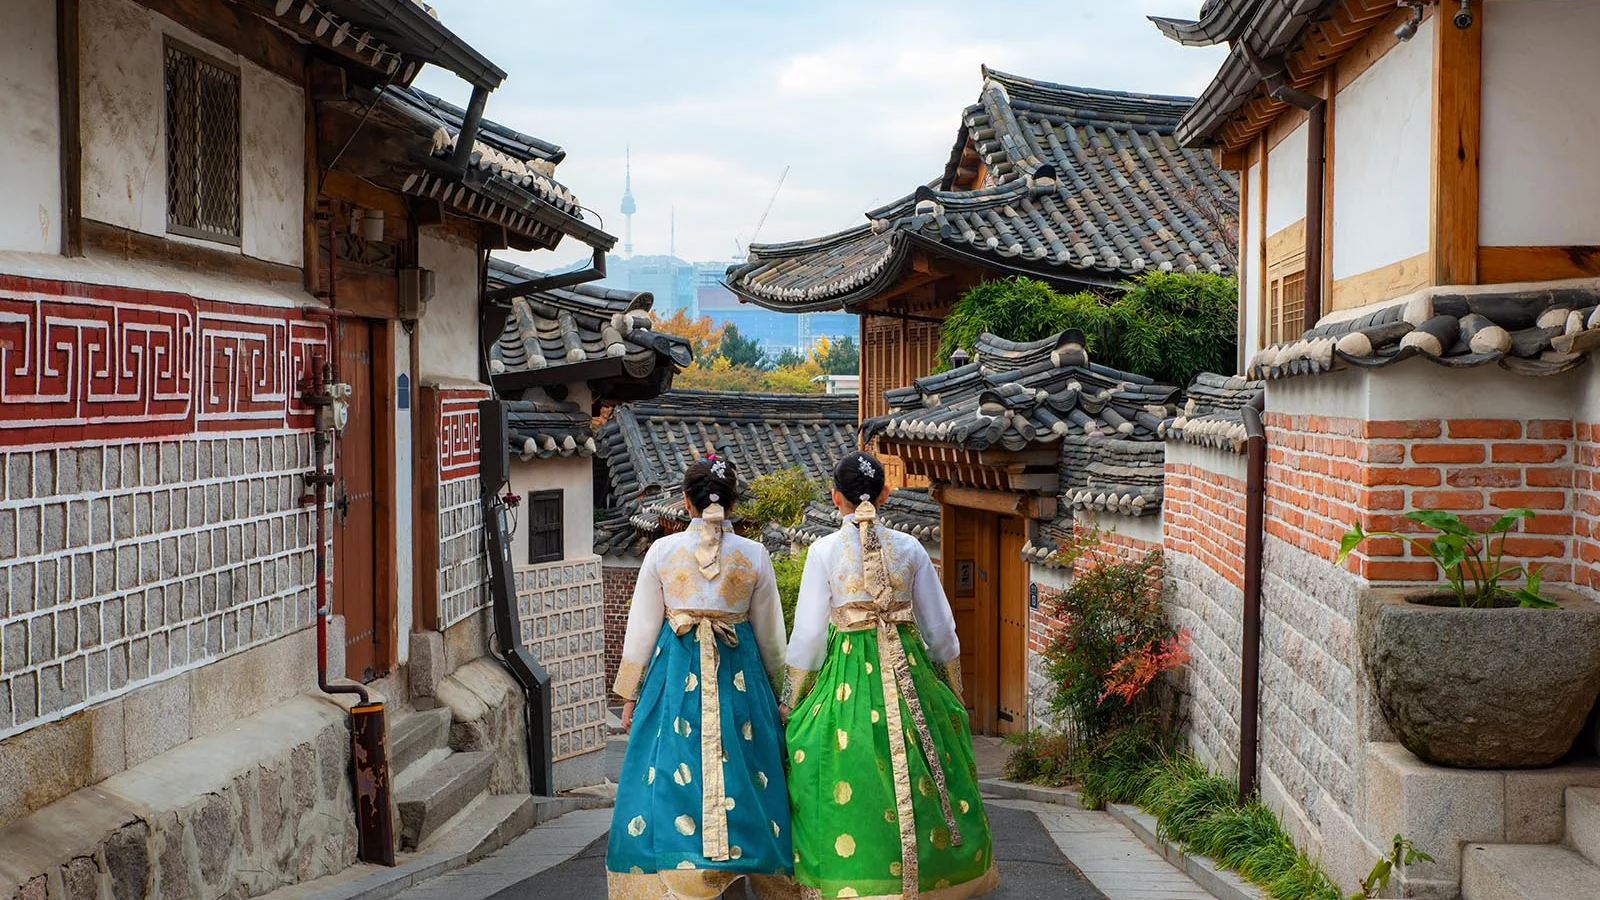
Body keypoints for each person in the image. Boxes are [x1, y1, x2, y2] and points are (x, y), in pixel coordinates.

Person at [782, 450, 998, 900]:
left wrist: (793, 697)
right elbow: (940, 630)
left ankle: (852, 876)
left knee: (841, 763)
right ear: (884, 494)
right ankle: (938, 877)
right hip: (908, 668)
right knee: (929, 756)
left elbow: (806, 637)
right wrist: (952, 690)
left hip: (846, 671)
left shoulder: (822, 551)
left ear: (834, 496)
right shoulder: (911, 547)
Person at [606, 453, 798, 900]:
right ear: (732, 504)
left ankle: (681, 870)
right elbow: (772, 638)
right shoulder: (754, 554)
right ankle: (745, 861)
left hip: (675, 675)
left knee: (672, 769)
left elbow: (641, 630)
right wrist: (784, 697)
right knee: (747, 771)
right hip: (740, 678)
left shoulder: (661, 550)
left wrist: (630, 697)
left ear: (687, 503)